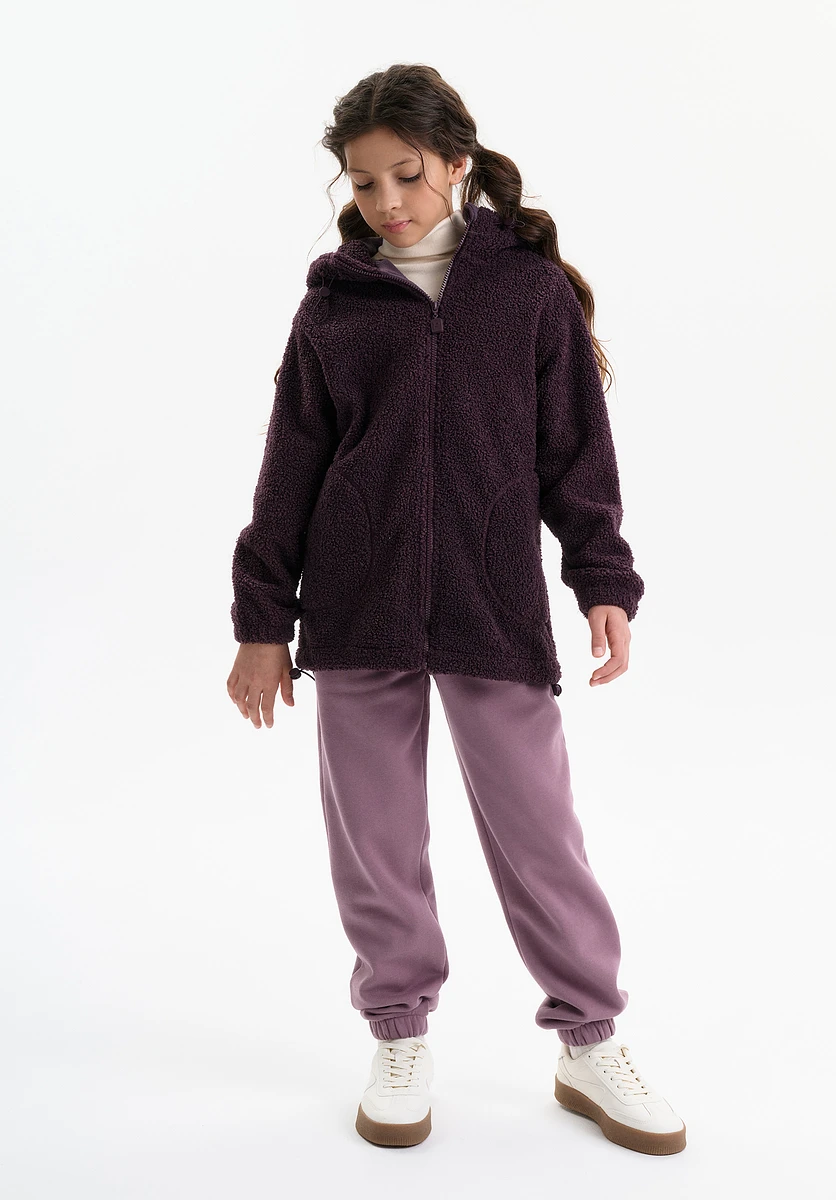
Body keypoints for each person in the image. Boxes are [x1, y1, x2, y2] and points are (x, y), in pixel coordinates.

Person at [226, 63, 686, 1155]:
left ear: (458, 164)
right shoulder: (334, 306)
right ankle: (398, 1032)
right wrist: (261, 622)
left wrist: (603, 580)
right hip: (356, 608)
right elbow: (289, 471)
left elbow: (577, 454)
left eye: (409, 174)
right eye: (365, 182)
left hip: (492, 605)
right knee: (376, 840)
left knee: (539, 832)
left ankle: (589, 1041)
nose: (388, 201)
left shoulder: (526, 293)